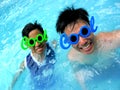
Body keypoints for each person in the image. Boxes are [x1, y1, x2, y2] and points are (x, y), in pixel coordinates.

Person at [56, 7, 120, 90]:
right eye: (73, 39)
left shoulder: (112, 40)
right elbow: (82, 82)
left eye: (84, 31)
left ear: (90, 26)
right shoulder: (73, 57)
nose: (82, 41)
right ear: (68, 42)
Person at [9, 21, 57, 90]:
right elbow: (15, 80)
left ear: (44, 37)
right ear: (27, 45)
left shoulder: (53, 46)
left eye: (39, 38)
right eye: (32, 42)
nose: (37, 44)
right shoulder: (26, 63)